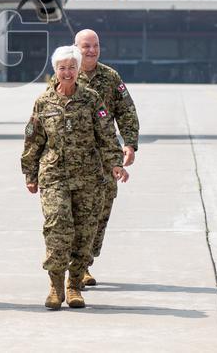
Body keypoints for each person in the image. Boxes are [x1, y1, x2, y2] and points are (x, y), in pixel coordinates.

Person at [21, 45, 127, 310]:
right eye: (62, 68)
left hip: (89, 177)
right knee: (58, 227)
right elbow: (33, 140)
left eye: (71, 67)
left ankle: (74, 285)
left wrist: (115, 163)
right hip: (54, 175)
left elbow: (106, 135)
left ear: (78, 70)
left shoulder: (92, 100)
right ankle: (56, 285)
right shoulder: (43, 102)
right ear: (55, 71)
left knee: (85, 232)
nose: (67, 72)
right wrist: (29, 173)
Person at [75, 28, 140, 287]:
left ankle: (86, 262)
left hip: (105, 158)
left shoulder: (110, 77)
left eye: (95, 45)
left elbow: (126, 111)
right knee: (74, 213)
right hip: (74, 157)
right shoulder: (66, 72)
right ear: (76, 47)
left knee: (100, 212)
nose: (91, 50)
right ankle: (73, 266)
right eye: (86, 46)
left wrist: (130, 144)